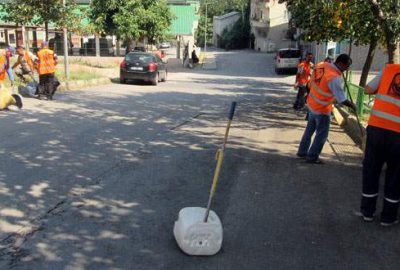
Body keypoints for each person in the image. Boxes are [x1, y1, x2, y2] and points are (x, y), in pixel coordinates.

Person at [357, 63, 400, 226]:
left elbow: (368, 89)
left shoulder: (389, 69)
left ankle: (367, 212)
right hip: (398, 136)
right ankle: (388, 218)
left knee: (371, 170)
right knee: (395, 175)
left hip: (377, 130)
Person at [297, 54, 357, 164]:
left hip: (312, 105)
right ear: (340, 64)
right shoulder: (334, 77)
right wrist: (353, 106)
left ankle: (302, 152)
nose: (347, 69)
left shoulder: (321, 65)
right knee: (321, 135)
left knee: (309, 131)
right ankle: (312, 157)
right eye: (346, 66)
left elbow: (310, 84)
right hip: (322, 109)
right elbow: (342, 99)